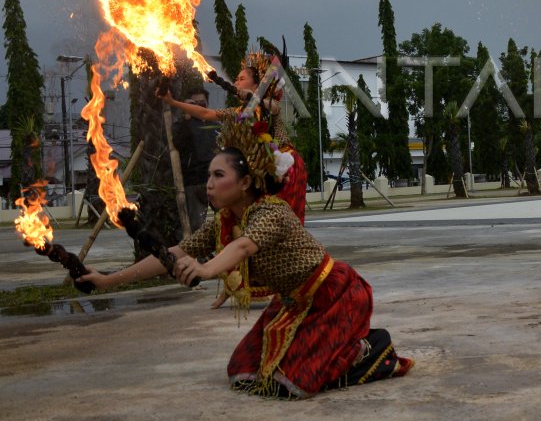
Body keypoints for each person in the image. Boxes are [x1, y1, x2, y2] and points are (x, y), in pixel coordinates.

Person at [79, 116, 413, 398]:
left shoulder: (271, 212)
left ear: (247, 182)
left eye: (218, 176)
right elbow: (173, 253)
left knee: (295, 383)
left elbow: (243, 247)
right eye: (209, 175)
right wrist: (108, 279)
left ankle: (368, 348)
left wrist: (205, 269)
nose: (209, 184)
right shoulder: (224, 221)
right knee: (243, 374)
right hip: (291, 304)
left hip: (334, 296)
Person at [162, 52, 308, 224]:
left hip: (284, 166)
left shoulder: (268, 103)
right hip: (259, 171)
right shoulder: (238, 112)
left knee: (282, 222)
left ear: (257, 85)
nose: (236, 82)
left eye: (242, 78)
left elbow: (271, 107)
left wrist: (251, 97)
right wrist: (173, 103)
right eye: (236, 79)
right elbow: (205, 113)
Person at [173, 88, 219, 232]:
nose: (199, 106)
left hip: (215, 180)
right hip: (193, 181)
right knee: (196, 225)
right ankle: (196, 253)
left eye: (202, 103)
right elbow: (178, 144)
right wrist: (187, 117)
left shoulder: (215, 125)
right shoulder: (182, 125)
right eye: (195, 103)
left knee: (225, 219)